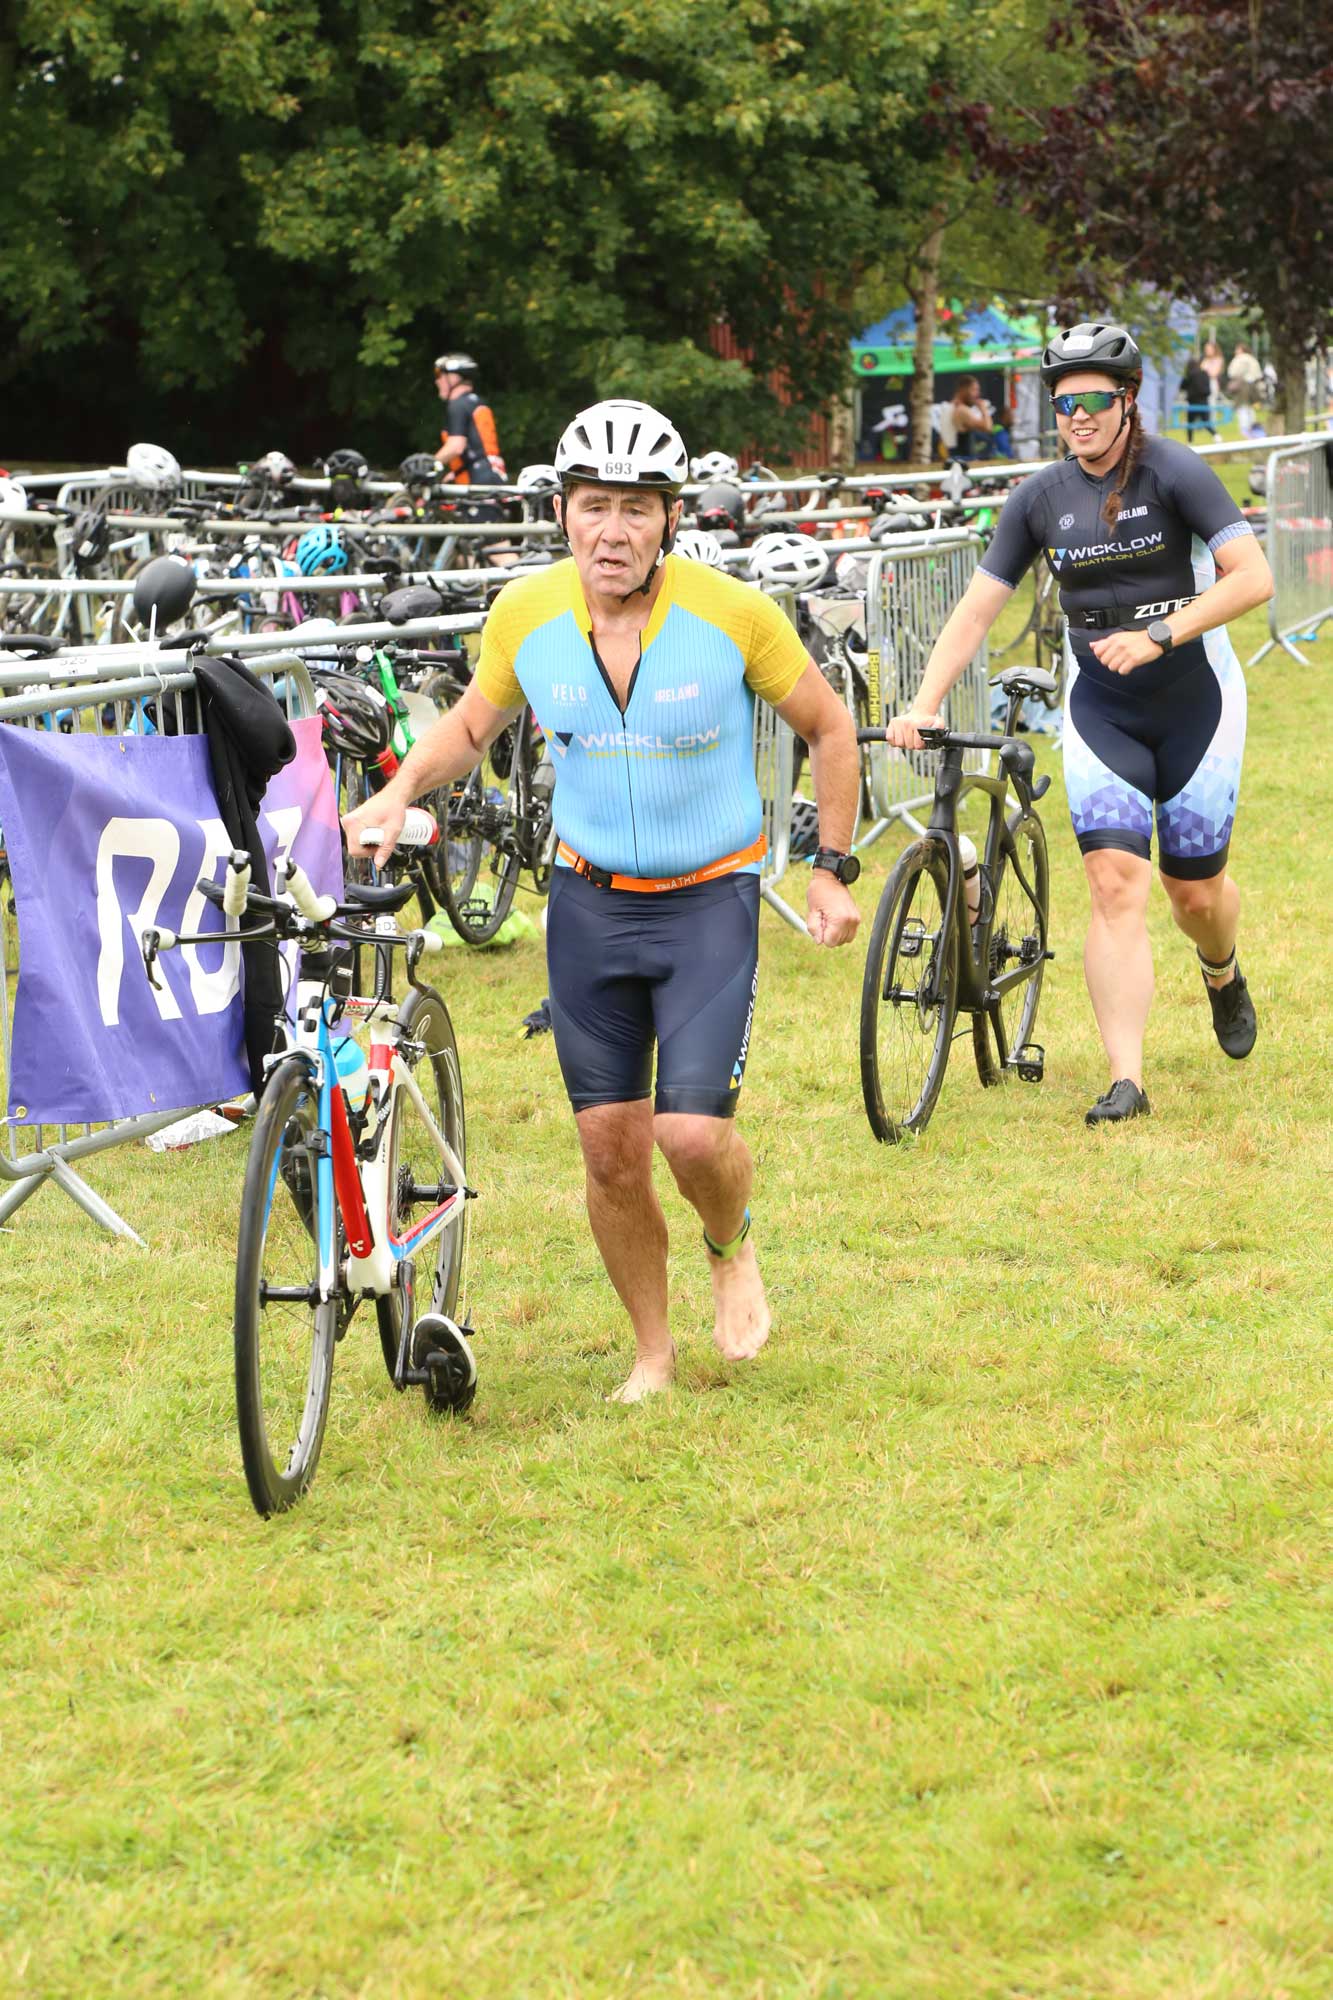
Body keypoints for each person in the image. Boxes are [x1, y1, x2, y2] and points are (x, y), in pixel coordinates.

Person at [344, 397, 861, 1399]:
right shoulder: (526, 613)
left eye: (635, 508)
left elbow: (829, 727)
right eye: (593, 506)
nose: (612, 531)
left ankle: (729, 1241)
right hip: (590, 904)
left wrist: (829, 866)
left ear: (669, 518)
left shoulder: (733, 614)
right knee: (610, 1149)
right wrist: (399, 791)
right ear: (562, 513)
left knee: (690, 1134)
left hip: (707, 901)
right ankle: (652, 1353)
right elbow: (472, 726)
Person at [885, 321, 1274, 1126]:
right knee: (1112, 883)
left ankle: (1220, 969)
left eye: (1094, 400)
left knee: (1193, 892)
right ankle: (1126, 1080)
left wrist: (1161, 633)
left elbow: (1252, 577)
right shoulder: (1039, 498)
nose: (1079, 417)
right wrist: (924, 702)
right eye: (1064, 406)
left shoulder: (1175, 471)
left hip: (1195, 699)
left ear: (1127, 400)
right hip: (1102, 710)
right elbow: (976, 610)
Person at [432, 352, 507, 488]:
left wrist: (429, 465)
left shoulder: (457, 405)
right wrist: (457, 473)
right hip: (492, 473)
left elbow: (456, 446)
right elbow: (478, 449)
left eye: (439, 375)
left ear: (454, 377)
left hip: (478, 480)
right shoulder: (476, 402)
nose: (437, 381)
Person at [1226, 340, 1264, 433]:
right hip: (1253, 386)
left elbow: (1233, 373)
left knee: (1242, 407)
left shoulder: (1240, 359)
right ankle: (1252, 426)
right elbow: (1258, 374)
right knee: (1250, 407)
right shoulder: (1253, 359)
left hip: (1242, 386)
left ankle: (1244, 428)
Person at [1179, 355, 1216, 442]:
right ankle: (1216, 436)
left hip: (1193, 402)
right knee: (1206, 422)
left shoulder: (1189, 375)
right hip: (1204, 401)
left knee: (1190, 423)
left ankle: (1190, 441)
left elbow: (1182, 386)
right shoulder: (1204, 373)